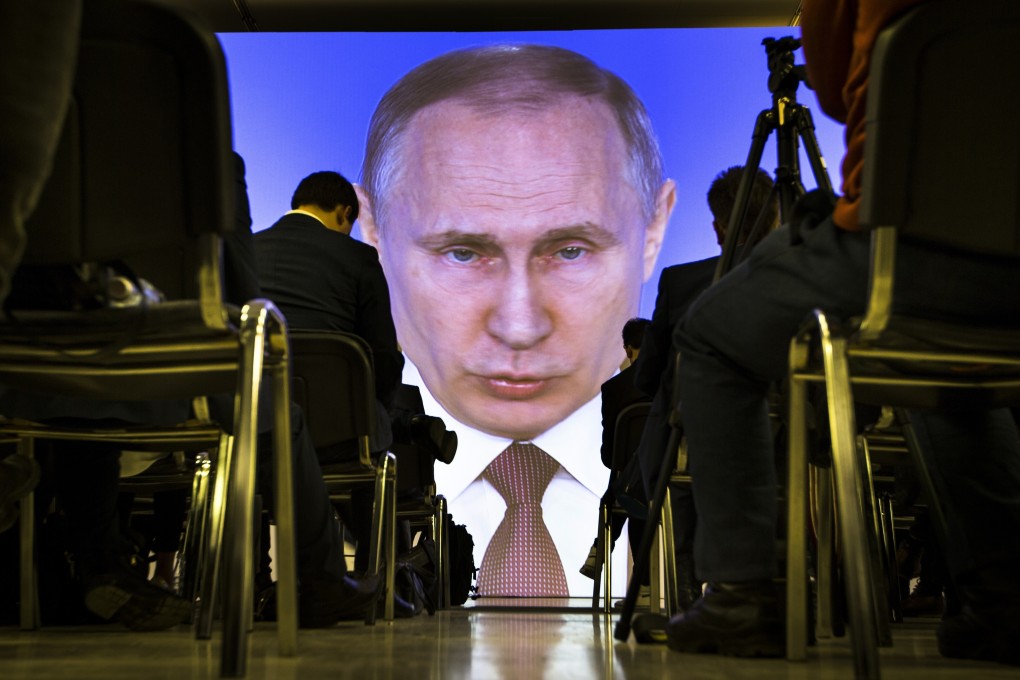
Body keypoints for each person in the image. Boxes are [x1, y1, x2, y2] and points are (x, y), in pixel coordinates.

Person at [664, 0, 1020, 664]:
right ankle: (1005, 601)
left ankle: (741, 594)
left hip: (904, 250)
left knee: (709, 335)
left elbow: (832, 85)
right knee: (948, 375)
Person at [0, 154, 380, 630]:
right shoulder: (211, 165)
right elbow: (240, 297)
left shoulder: (32, 151)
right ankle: (323, 581)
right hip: (170, 379)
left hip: (31, 374)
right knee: (277, 412)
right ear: (346, 213)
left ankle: (98, 564)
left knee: (83, 399)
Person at [356, 43, 675, 595]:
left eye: (571, 250)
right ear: (373, 232)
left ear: (654, 231)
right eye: (462, 253)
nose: (521, 326)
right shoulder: (295, 510)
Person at [629, 166, 780, 610]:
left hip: (695, 440)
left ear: (718, 227)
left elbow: (648, 378)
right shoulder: (802, 280)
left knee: (667, 434)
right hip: (791, 438)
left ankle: (683, 590)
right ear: (776, 218)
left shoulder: (682, 283)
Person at [578, 318, 653, 606]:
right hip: (669, 482)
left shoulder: (615, 389)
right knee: (640, 487)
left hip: (629, 485)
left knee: (628, 488)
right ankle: (644, 590)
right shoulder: (672, 385)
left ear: (627, 349)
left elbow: (610, 456)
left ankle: (602, 546)